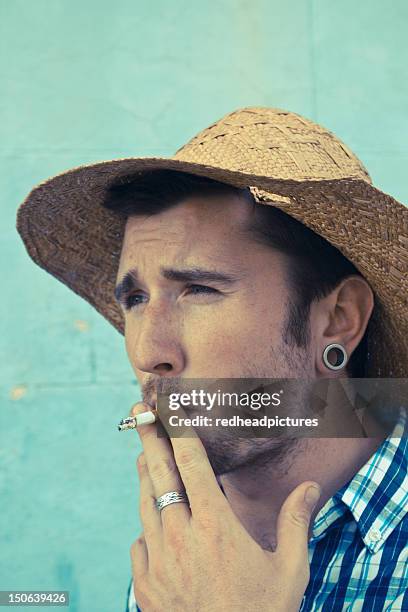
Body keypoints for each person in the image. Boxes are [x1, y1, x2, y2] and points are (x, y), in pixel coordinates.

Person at [17, 107, 407, 611]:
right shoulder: (178, 550)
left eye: (198, 289)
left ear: (337, 320)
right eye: (135, 300)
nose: (146, 352)